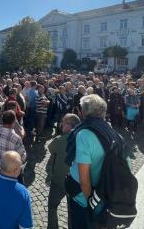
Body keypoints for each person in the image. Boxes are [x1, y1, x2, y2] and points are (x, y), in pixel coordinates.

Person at [65, 94, 108, 228]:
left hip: (84, 201)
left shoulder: (83, 135)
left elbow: (84, 181)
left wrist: (91, 203)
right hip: (106, 197)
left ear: (83, 112)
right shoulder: (112, 132)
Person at [46, 113, 80, 229]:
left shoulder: (60, 140)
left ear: (70, 126)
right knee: (73, 210)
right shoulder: (82, 139)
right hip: (76, 182)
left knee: (52, 206)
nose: (61, 125)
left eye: (63, 123)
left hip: (59, 180)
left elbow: (51, 149)